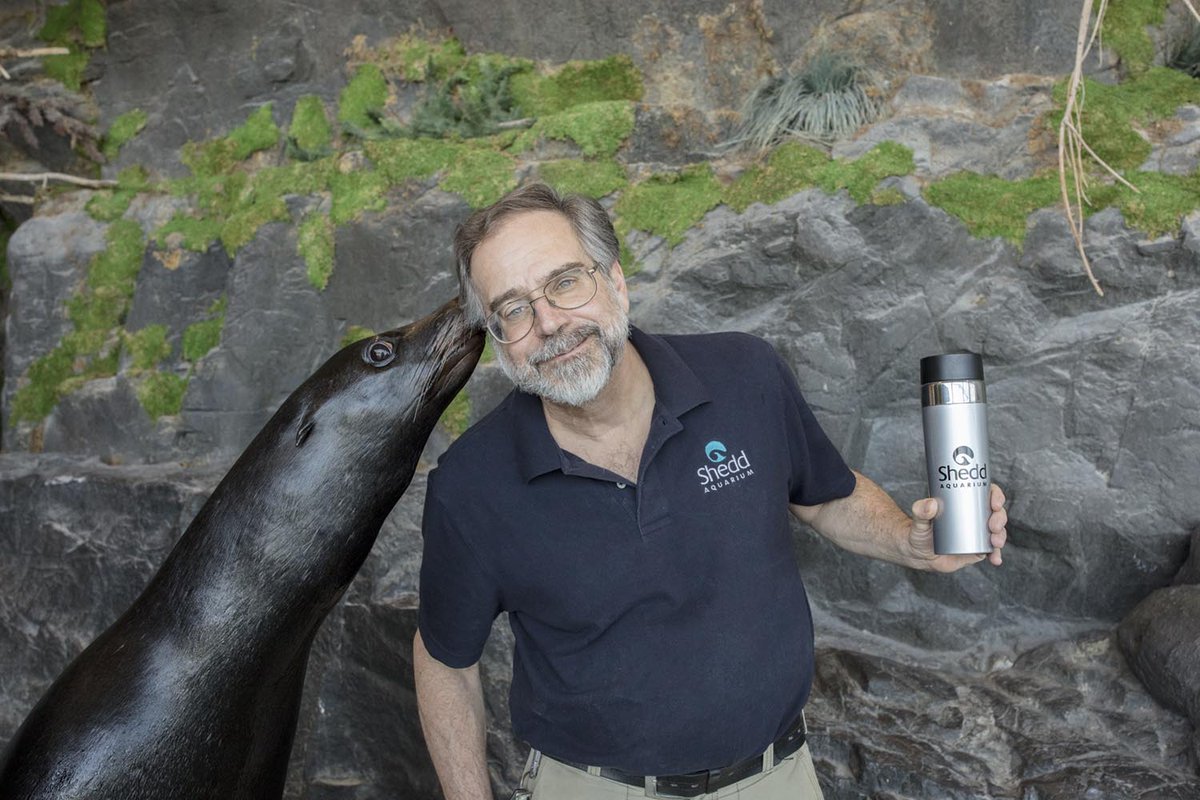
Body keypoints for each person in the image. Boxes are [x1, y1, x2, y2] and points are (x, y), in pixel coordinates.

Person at [414, 183, 1008, 800]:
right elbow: (442, 660)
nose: (549, 324)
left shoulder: (745, 376)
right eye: (513, 309)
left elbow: (826, 496)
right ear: (494, 338)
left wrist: (909, 542)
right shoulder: (471, 486)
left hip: (778, 780)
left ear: (615, 281)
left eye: (566, 282)